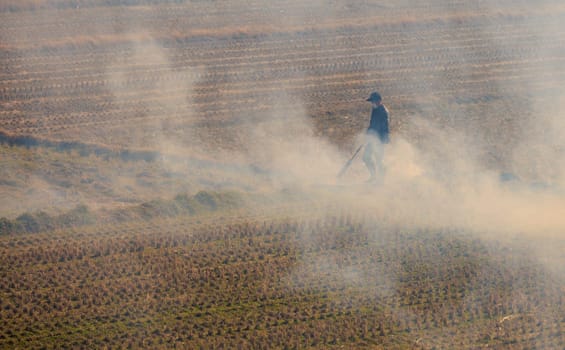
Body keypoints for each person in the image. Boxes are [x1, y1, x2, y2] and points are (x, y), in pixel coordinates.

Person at [363, 91, 390, 183]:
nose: (372, 103)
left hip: (380, 139)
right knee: (366, 157)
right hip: (373, 138)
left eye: (373, 101)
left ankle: (381, 180)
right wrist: (369, 133)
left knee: (378, 159)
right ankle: (373, 177)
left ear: (379, 101)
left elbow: (381, 127)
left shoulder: (382, 111)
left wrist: (372, 134)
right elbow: (372, 124)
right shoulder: (375, 109)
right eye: (371, 101)